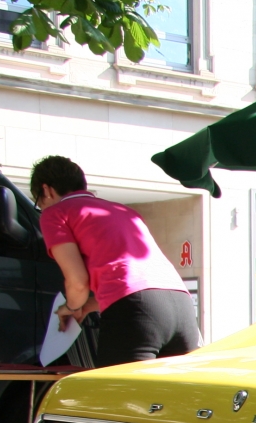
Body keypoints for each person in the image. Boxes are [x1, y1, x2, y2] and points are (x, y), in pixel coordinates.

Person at [30, 155, 197, 367]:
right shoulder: (124, 211)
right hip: (181, 305)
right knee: (174, 398)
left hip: (135, 312)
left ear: (46, 190)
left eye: (39, 203)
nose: (42, 209)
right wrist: (88, 306)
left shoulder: (56, 213)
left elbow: (78, 282)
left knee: (121, 397)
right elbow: (134, 280)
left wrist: (71, 307)